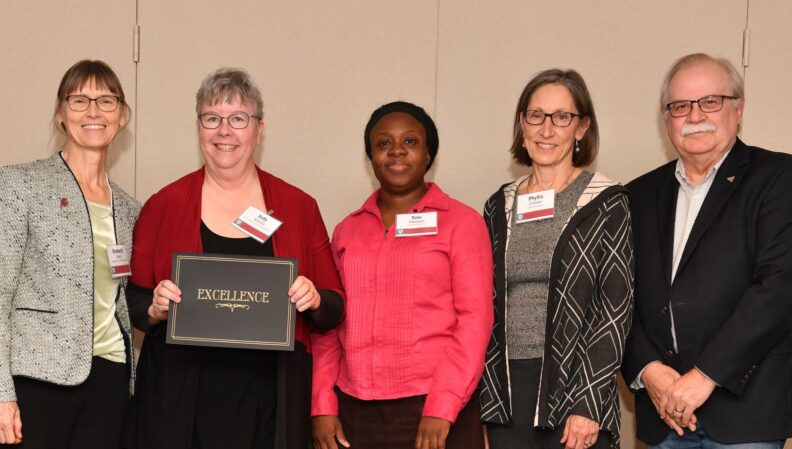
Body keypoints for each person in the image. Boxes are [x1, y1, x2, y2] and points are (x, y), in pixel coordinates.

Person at [123, 68, 344, 449]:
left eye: (238, 119)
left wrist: (315, 298)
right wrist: (156, 308)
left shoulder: (298, 207)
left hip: (269, 396)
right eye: (212, 118)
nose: (224, 131)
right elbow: (133, 301)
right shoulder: (163, 205)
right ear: (199, 129)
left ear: (258, 131)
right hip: (181, 397)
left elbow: (334, 305)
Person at [622, 53, 792, 449]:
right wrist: (648, 370)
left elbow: (779, 287)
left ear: (739, 109)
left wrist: (704, 376)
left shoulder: (779, 179)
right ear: (667, 120)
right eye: (680, 106)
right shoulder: (637, 196)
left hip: (744, 415)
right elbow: (618, 297)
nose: (695, 115)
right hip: (662, 415)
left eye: (710, 102)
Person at [311, 101, 493, 449]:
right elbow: (328, 323)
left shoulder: (461, 223)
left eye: (410, 141)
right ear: (371, 157)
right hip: (352, 412)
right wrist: (322, 403)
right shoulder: (347, 231)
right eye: (383, 143)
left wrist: (443, 407)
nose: (396, 150)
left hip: (435, 411)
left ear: (428, 155)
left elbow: (475, 321)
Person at [479, 69, 634, 449]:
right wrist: (484, 402)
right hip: (507, 393)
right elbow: (481, 303)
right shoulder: (498, 205)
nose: (547, 130)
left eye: (562, 117)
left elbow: (616, 307)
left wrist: (589, 402)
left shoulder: (607, 202)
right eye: (536, 115)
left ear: (581, 128)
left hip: (575, 389)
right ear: (522, 124)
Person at [0, 60, 140, 448]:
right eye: (79, 100)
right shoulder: (19, 186)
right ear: (60, 113)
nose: (93, 111)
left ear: (122, 115)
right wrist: (1, 394)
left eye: (106, 100)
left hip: (110, 380)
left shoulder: (131, 210)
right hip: (37, 378)